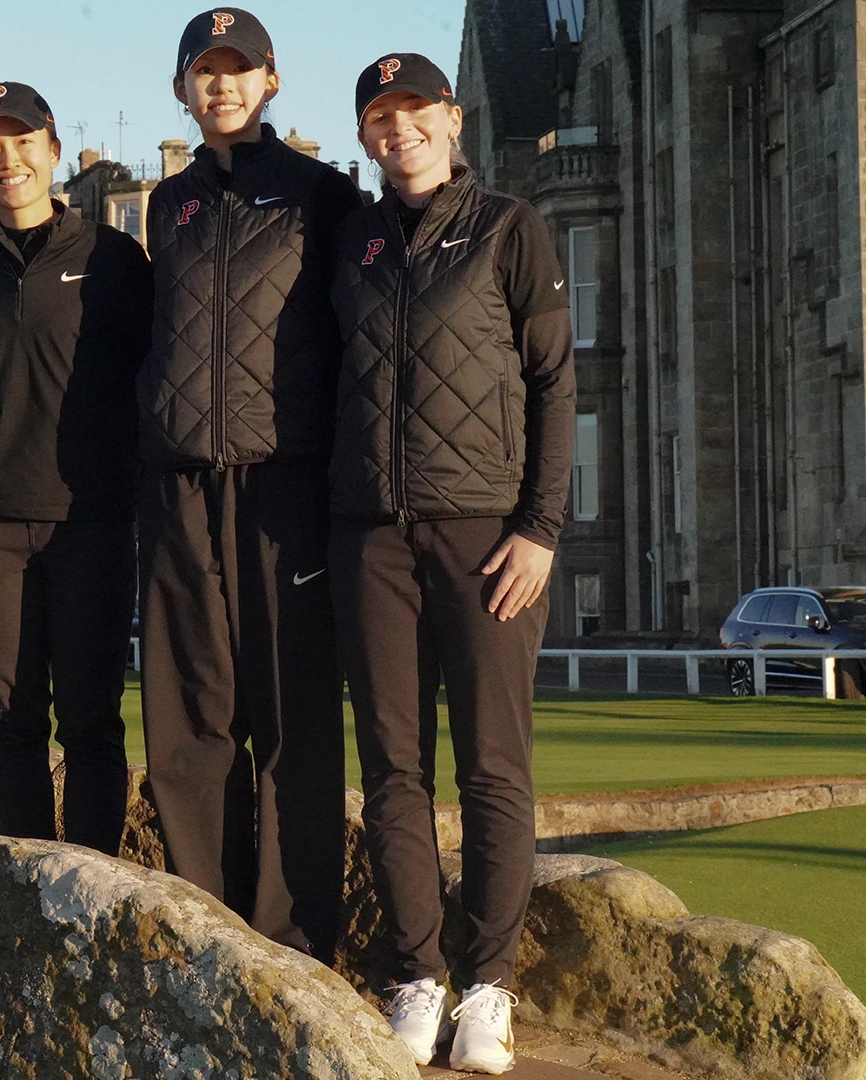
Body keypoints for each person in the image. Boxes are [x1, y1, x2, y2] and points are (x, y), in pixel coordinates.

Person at [331, 53, 574, 1074]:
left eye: (414, 112)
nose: (399, 131)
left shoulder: (510, 226)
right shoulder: (353, 239)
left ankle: (488, 986)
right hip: (373, 537)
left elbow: (555, 383)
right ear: (366, 136)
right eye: (379, 118)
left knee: (491, 769)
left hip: (488, 536)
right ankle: (417, 975)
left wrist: (542, 528)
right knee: (392, 770)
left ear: (451, 118)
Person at [134, 8, 364, 959]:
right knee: (190, 721)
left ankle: (295, 940)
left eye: (238, 70)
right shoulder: (167, 202)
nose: (220, 85)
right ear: (182, 88)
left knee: (292, 719)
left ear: (271, 82)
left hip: (284, 488)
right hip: (184, 485)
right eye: (203, 71)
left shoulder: (323, 196)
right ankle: (206, 933)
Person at [0, 82, 152, 856]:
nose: (9, 160)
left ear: (54, 151)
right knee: (13, 719)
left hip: (90, 518)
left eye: (23, 142)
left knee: (92, 719)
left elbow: (145, 372)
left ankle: (93, 882)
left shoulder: (114, 259)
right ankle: (29, 878)